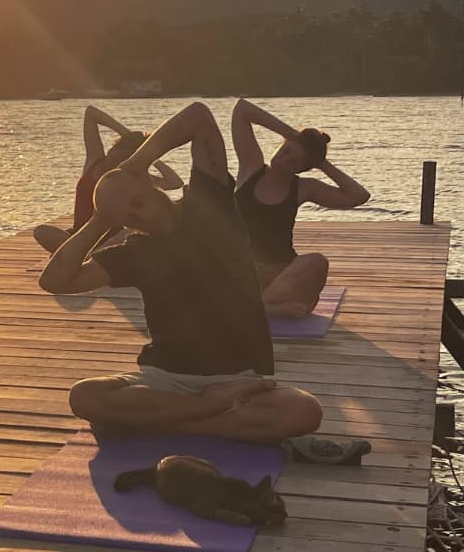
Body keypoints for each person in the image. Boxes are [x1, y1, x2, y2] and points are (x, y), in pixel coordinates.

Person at [39, 102, 323, 445]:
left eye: (137, 203)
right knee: (84, 396)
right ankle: (206, 413)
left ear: (151, 188)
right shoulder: (136, 253)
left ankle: (170, 420)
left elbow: (199, 118)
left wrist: (133, 164)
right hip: (165, 381)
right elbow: (55, 281)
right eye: (126, 217)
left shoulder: (210, 207)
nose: (136, 217)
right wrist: (100, 220)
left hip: (234, 379)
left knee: (303, 412)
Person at [231, 97, 370, 319]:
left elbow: (359, 196)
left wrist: (320, 162)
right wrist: (292, 135)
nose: (284, 160)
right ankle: (265, 306)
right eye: (286, 151)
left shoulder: (304, 188)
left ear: (302, 169)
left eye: (293, 162)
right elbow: (242, 109)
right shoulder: (251, 167)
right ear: (281, 144)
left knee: (317, 262)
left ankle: (257, 306)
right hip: (243, 270)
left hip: (282, 273)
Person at [33, 105, 181, 256]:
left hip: (111, 238)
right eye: (116, 151)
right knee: (41, 232)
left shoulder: (127, 179)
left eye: (122, 157)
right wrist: (124, 132)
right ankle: (88, 256)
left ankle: (83, 256)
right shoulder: (94, 160)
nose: (114, 157)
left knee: (126, 234)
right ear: (113, 147)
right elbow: (91, 113)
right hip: (79, 235)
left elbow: (175, 183)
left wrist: (150, 157)